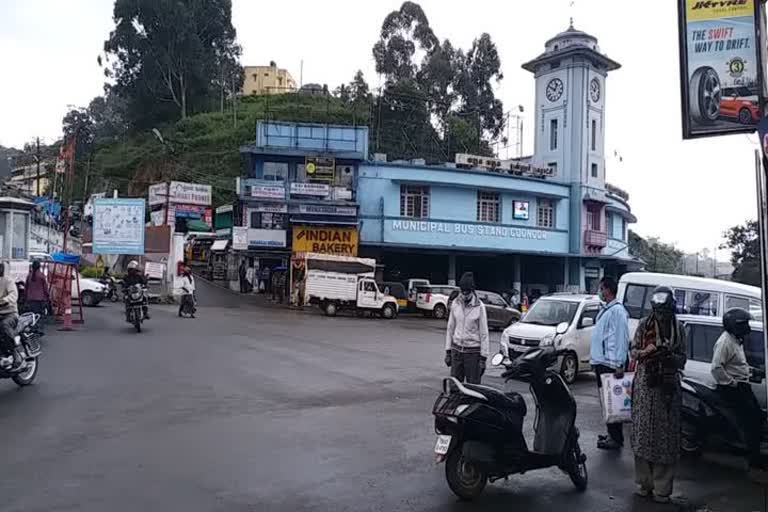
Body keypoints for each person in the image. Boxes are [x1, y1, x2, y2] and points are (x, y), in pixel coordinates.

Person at [630, 286, 687, 504]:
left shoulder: (678, 328)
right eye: (658, 312)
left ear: (671, 309)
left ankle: (662, 489)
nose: (661, 316)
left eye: (664, 312)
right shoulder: (644, 325)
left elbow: (683, 358)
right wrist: (646, 352)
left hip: (668, 389)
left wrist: (670, 357)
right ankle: (644, 483)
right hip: (646, 387)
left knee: (666, 440)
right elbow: (633, 350)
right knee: (643, 436)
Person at [711, 307, 765, 472]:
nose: (747, 327)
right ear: (735, 325)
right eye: (744, 324)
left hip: (742, 384)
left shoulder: (736, 340)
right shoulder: (725, 342)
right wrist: (732, 382)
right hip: (733, 388)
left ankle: (755, 454)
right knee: (751, 422)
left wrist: (752, 371)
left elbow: (737, 365)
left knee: (757, 418)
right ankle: (754, 461)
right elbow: (716, 368)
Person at [590, 276, 630, 450]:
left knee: (613, 402)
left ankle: (615, 438)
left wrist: (620, 363)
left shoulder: (618, 311)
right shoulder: (607, 309)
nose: (599, 292)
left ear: (607, 289)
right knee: (607, 402)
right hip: (602, 362)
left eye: (601, 288)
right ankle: (612, 434)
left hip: (611, 364)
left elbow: (622, 338)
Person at [444, 272, 489, 384]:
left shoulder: (479, 307)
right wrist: (448, 351)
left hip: (473, 353)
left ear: (472, 290)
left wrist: (483, 358)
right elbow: (450, 328)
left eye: (467, 292)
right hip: (457, 351)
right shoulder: (456, 303)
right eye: (462, 291)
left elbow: (484, 333)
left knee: (473, 387)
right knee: (454, 386)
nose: (464, 294)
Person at [0, 263, 19, 369]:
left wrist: (5, 301)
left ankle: (14, 352)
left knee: (4, 325)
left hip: (10, 313)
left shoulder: (8, 281)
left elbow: (13, 295)